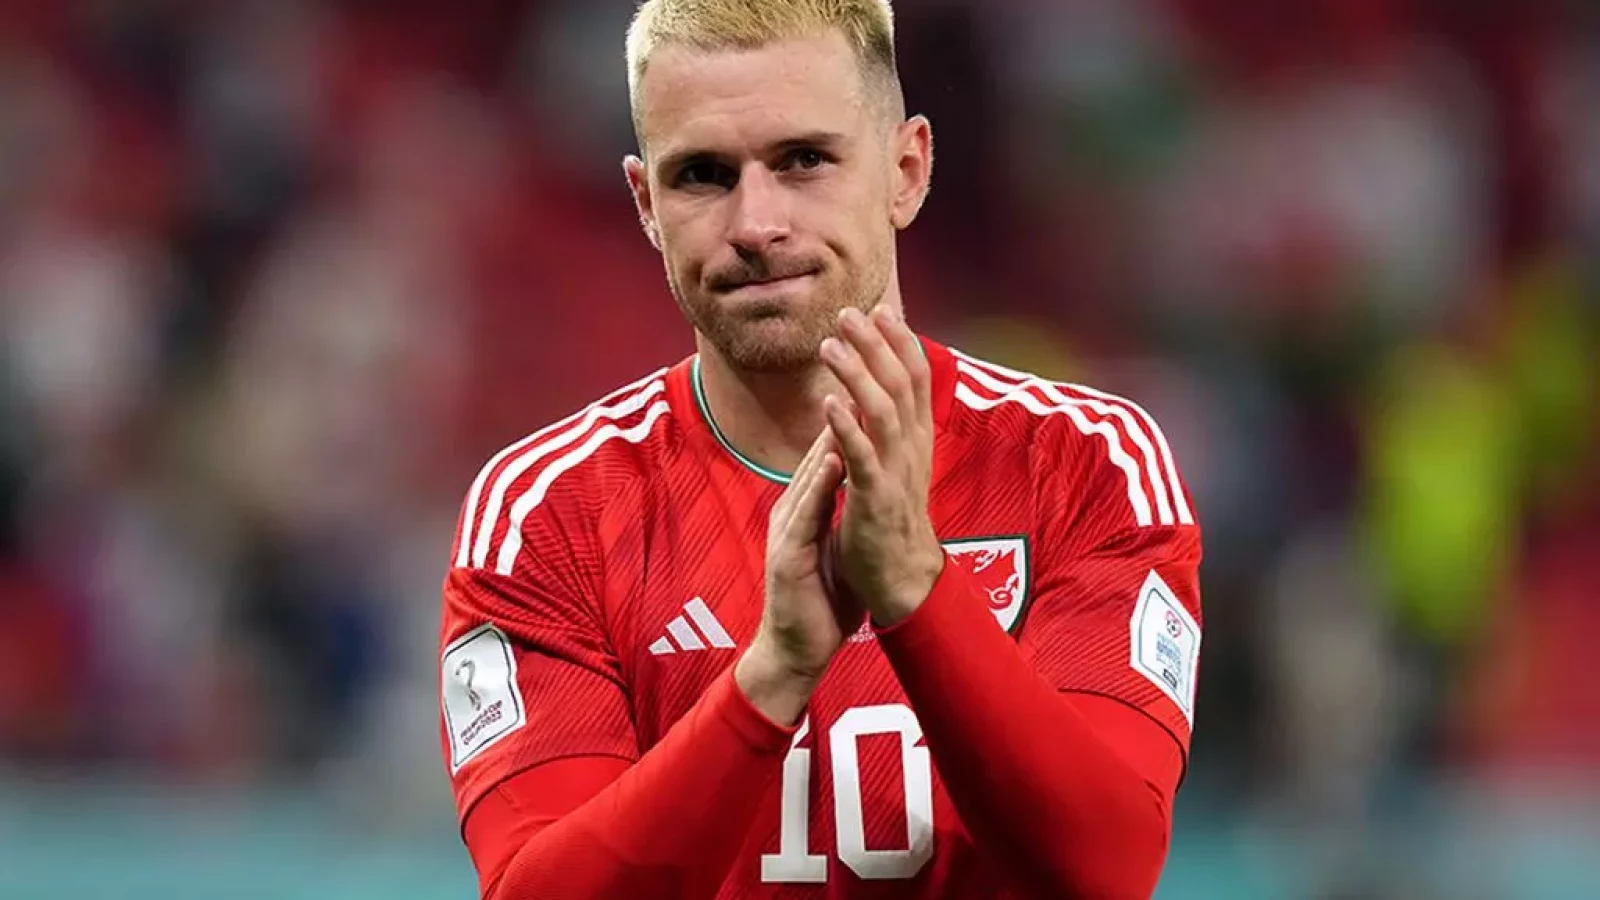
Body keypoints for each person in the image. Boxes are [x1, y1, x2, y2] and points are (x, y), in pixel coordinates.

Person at [437, 1, 1203, 897]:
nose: (755, 223)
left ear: (907, 170)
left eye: (804, 161)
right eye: (703, 175)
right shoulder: (545, 515)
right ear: (646, 204)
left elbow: (1104, 870)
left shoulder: (1083, 463)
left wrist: (915, 589)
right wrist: (776, 670)